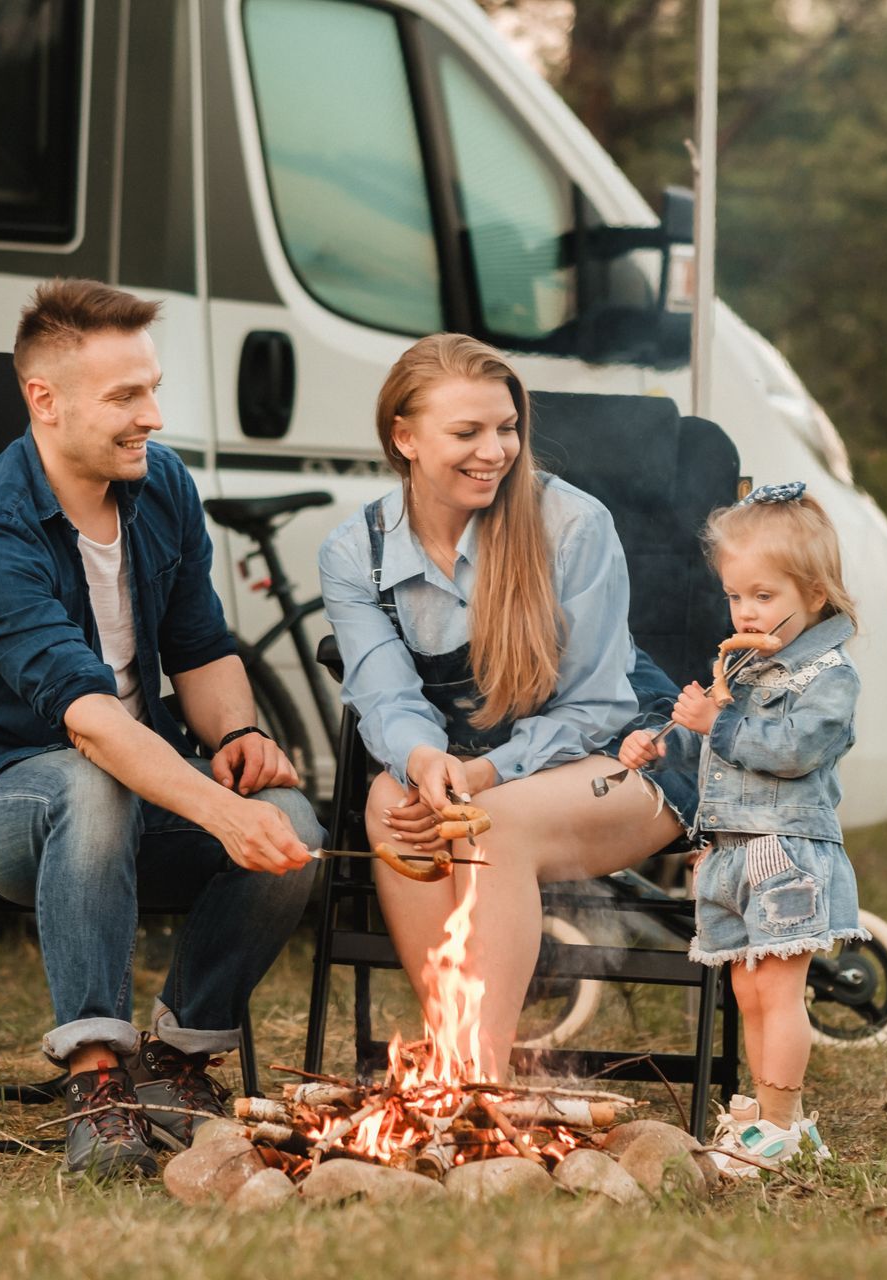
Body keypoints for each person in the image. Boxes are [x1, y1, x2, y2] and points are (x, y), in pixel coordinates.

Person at [0, 279, 320, 1179]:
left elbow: (202, 644)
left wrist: (238, 737)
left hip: (137, 781)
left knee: (297, 821)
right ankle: (98, 1082)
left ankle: (174, 1061)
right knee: (93, 782)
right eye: (126, 397)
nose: (154, 417)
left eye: (153, 389)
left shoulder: (160, 486)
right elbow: (91, 724)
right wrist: (217, 810)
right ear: (43, 401)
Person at [318, 334, 684, 1074]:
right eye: (468, 432)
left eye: (507, 427)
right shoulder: (356, 553)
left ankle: (473, 1084)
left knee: (496, 824)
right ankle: (462, 1061)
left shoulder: (571, 525)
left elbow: (598, 707)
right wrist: (424, 761)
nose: (496, 450)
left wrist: (488, 774)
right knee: (392, 803)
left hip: (625, 752)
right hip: (472, 762)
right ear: (405, 437)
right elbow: (385, 693)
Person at [617, 481, 868, 1173]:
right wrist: (665, 742)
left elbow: (790, 751)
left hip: (787, 853)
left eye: (765, 597)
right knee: (747, 988)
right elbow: (714, 759)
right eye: (736, 596)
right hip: (731, 852)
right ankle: (763, 1115)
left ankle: (781, 1128)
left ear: (814, 594)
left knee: (779, 991)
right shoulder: (744, 669)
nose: (746, 611)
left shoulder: (829, 677)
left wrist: (718, 721)